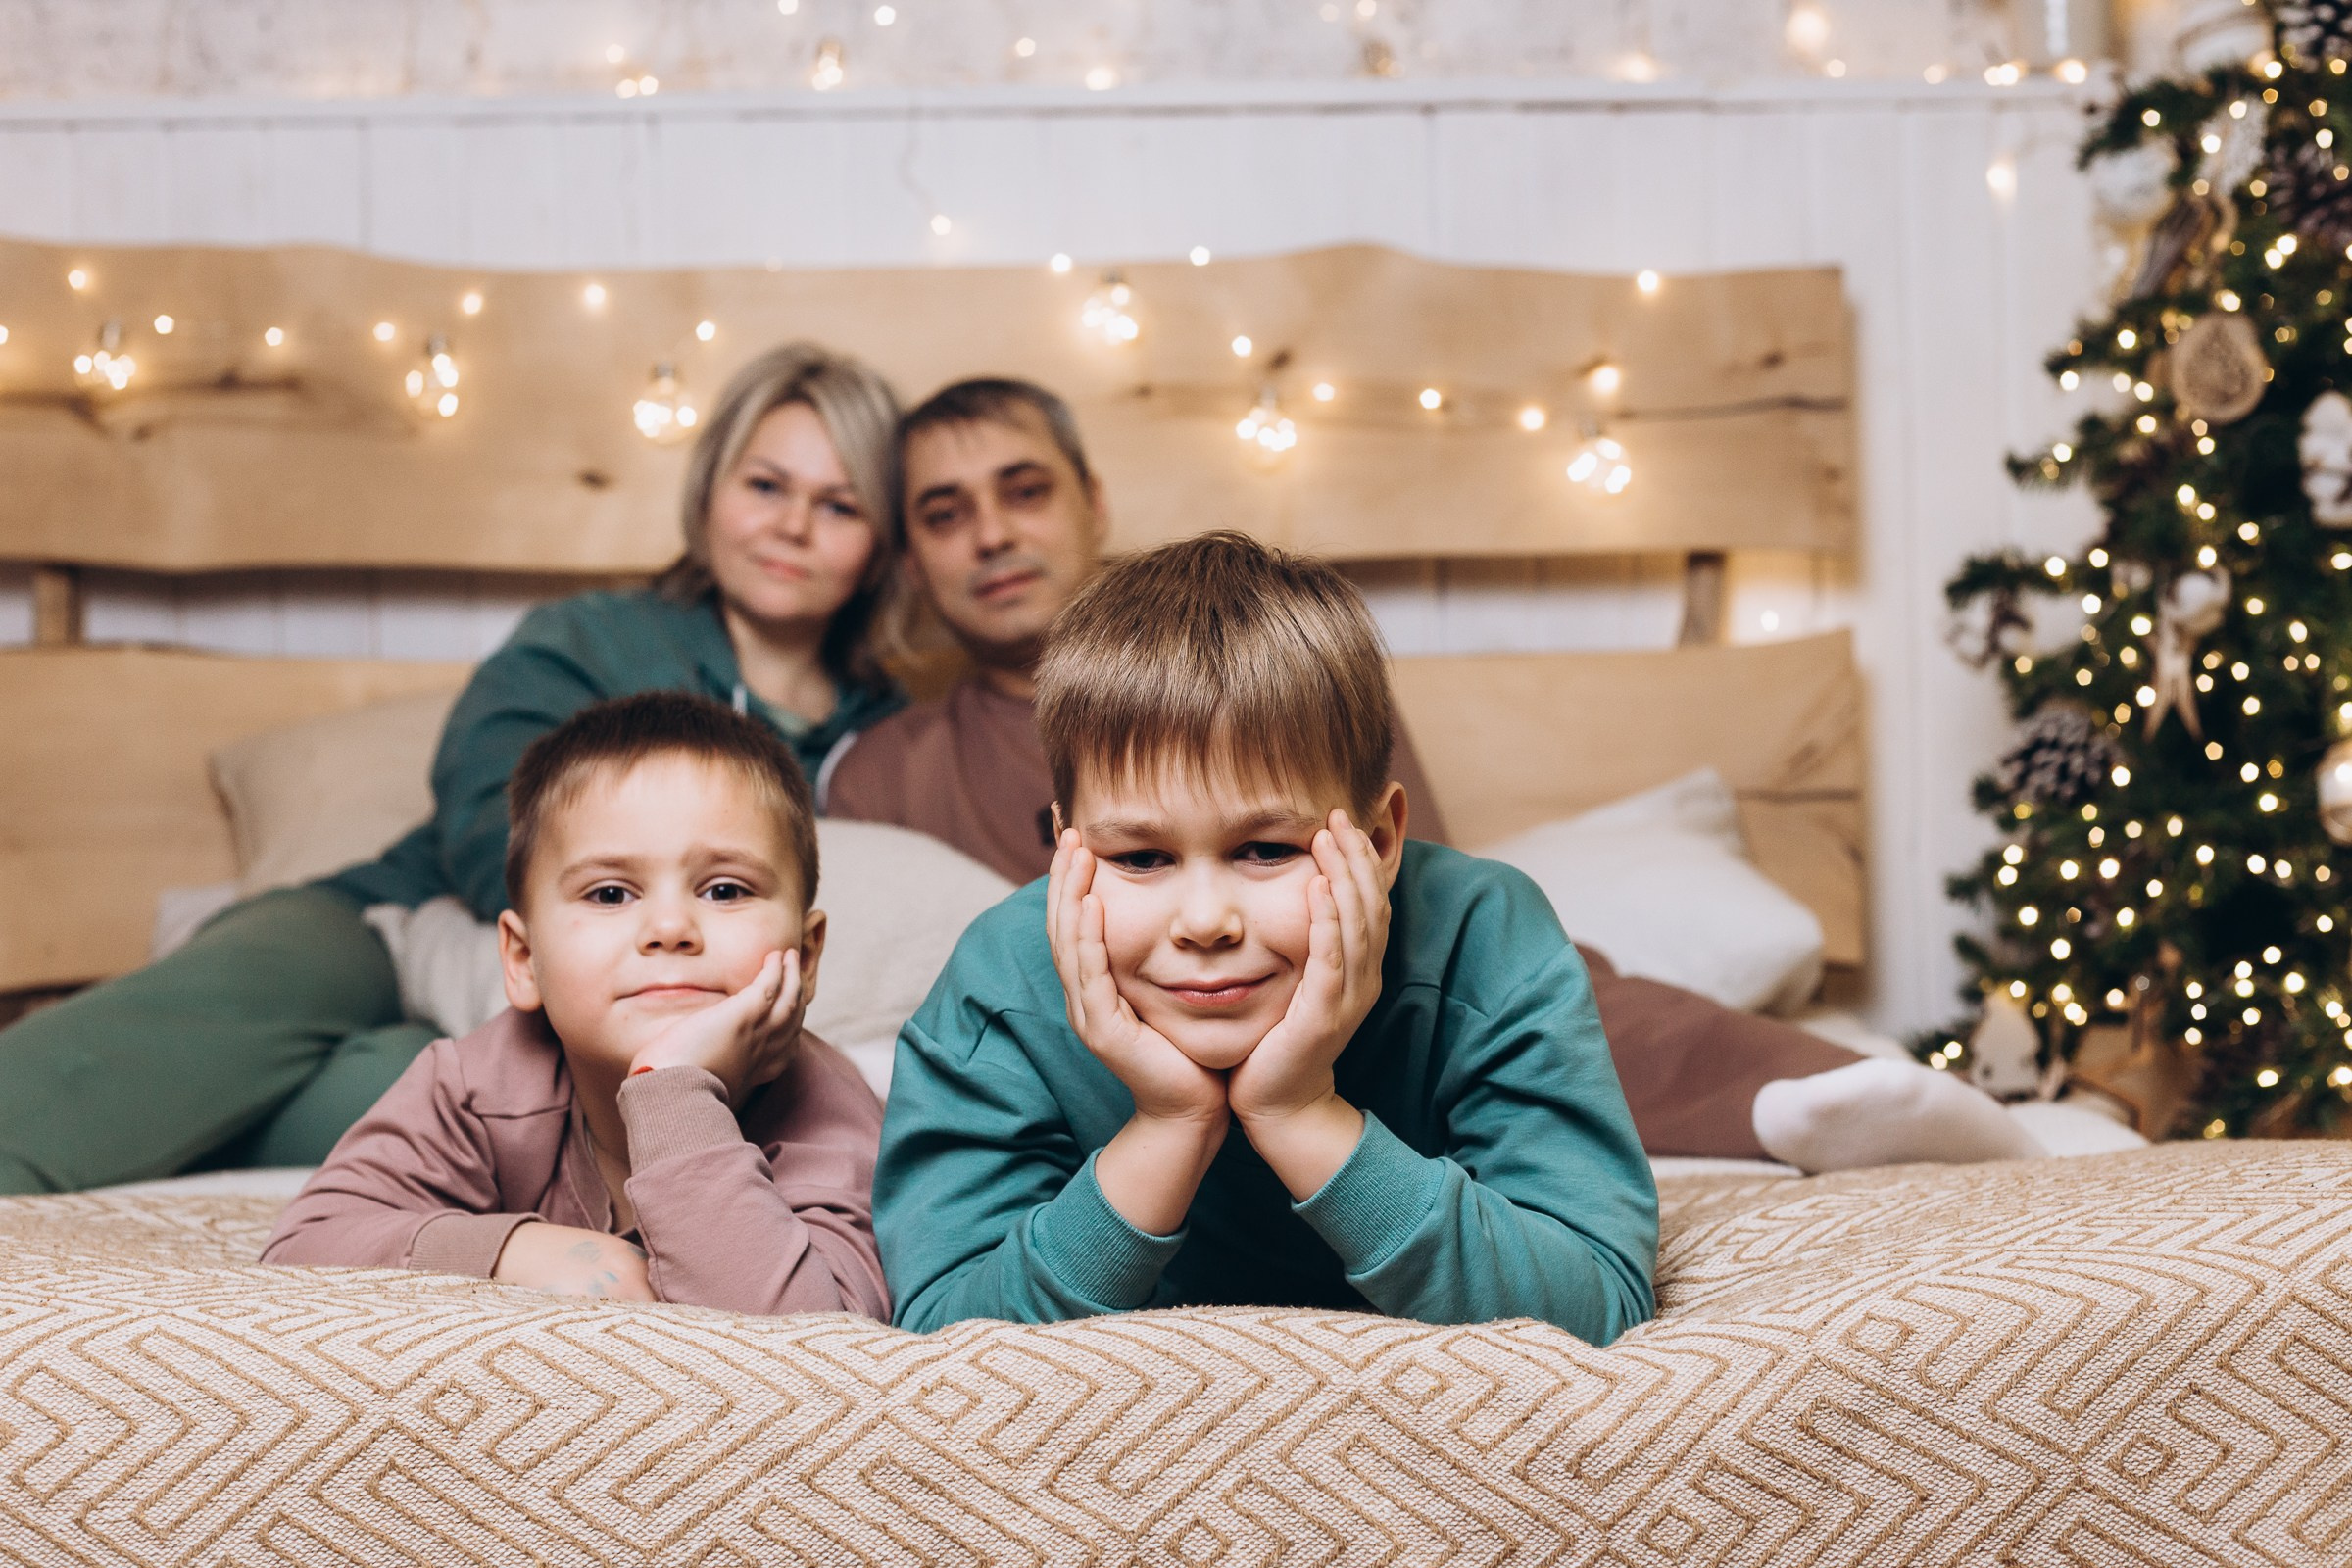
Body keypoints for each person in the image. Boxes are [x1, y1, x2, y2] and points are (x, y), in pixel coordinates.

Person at [833, 377, 2041, 1174]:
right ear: (911, 557)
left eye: (1024, 489)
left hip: (1337, 977)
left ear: (1092, 502)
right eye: (946, 512)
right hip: (1126, 1030)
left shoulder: (1280, 672)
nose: (992, 532)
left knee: (1522, 986)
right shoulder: (889, 766)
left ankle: (1812, 1094)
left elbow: (1407, 886)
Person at [0, 342, 908, 1194]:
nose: (794, 526)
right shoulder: (589, 639)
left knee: (398, 1088)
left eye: (839, 505)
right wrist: (574, 944)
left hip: (535, 1036)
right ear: (710, 491)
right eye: (766, 485)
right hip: (386, 922)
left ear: (878, 546)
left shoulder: (888, 743)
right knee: (201, 1016)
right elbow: (492, 823)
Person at [874, 532, 1659, 1339]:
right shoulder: (1000, 984)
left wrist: (1299, 1110)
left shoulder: (1482, 937)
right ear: (1067, 844)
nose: (1206, 922)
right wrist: (1168, 1125)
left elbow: (1597, 1302)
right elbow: (946, 1331)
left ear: (1380, 843)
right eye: (1141, 857)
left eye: (1267, 850)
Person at [265, 694, 889, 1319]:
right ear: (522, 960)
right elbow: (303, 1248)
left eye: (725, 889)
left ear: (804, 959)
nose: (670, 927)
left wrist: (674, 1091)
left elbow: (809, 1340)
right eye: (611, 892)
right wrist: (527, 1252)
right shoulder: (479, 1086)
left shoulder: (828, 1115)